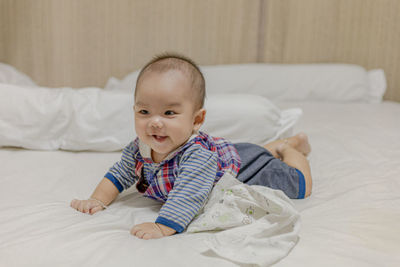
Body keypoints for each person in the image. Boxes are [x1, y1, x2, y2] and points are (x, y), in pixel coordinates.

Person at [70, 53, 312, 240]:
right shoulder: (139, 148)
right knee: (252, 151)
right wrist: (97, 200)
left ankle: (290, 147)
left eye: (169, 112)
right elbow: (118, 174)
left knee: (300, 186)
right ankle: (271, 147)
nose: (155, 122)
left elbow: (188, 196)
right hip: (230, 153)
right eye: (144, 111)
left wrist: (162, 226)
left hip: (244, 169)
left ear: (196, 120)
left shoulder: (197, 158)